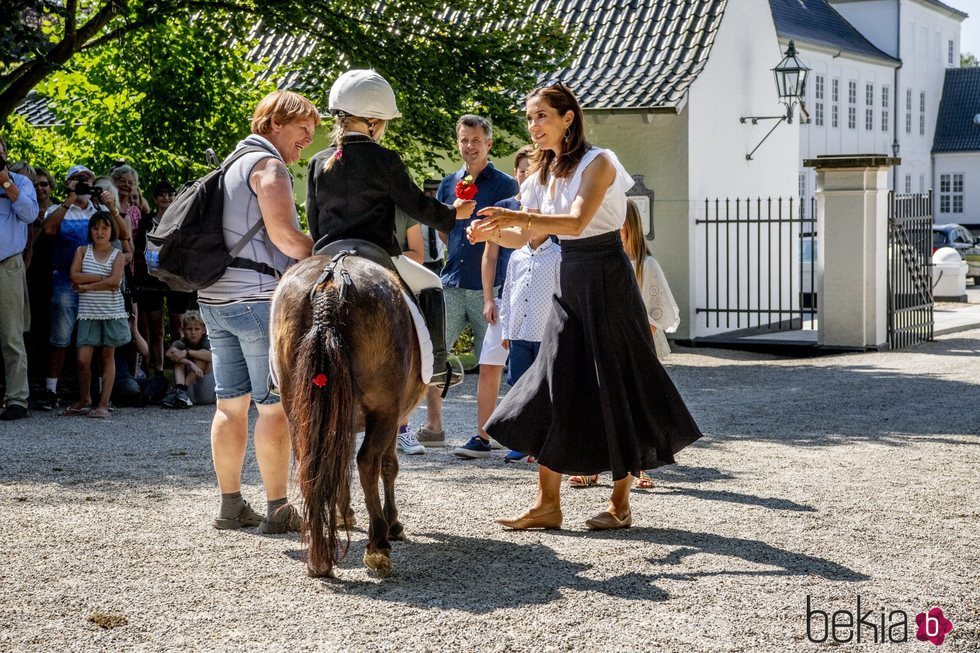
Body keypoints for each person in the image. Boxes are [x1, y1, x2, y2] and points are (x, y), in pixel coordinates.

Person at [470, 82, 703, 530]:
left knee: (613, 386)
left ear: (567, 118)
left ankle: (620, 504)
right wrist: (493, 234)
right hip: (569, 278)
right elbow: (529, 237)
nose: (533, 125)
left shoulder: (600, 162)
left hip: (608, 279)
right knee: (549, 381)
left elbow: (577, 220)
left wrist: (517, 217)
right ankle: (546, 505)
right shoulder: (540, 174)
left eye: (541, 116)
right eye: (529, 117)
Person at [306, 69, 475, 399]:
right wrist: (453, 215)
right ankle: (438, 364)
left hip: (326, 254)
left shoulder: (317, 161)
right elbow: (416, 205)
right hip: (376, 252)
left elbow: (314, 222)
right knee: (432, 284)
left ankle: (277, 372)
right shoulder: (385, 159)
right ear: (373, 121)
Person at [198, 90, 319, 533]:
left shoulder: (230, 165)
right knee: (274, 409)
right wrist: (330, 253)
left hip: (214, 299)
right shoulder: (269, 167)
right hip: (257, 302)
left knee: (229, 406)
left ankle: (231, 506)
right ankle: (279, 509)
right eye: (302, 126)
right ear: (272, 123)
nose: (308, 136)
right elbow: (286, 238)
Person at [415, 115, 519, 452]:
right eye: (463, 140)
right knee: (433, 355)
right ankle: (433, 427)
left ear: (488, 144)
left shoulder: (506, 185)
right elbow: (446, 228)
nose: (469, 146)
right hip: (451, 282)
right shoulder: (448, 182)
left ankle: (496, 431)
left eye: (475, 140)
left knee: (492, 362)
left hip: (492, 286)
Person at [498, 218, 561, 463]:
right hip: (518, 333)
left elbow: (561, 294)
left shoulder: (558, 255)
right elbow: (508, 291)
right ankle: (523, 442)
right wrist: (506, 330)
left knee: (545, 388)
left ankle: (546, 441)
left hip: (545, 333)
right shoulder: (516, 257)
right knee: (518, 387)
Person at [64, 212, 130, 418]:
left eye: (105, 228)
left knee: (107, 356)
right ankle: (85, 398)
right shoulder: (82, 251)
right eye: (95, 228)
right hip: (87, 313)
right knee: (83, 359)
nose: (100, 232)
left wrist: (87, 287)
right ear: (90, 230)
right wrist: (102, 277)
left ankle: (103, 403)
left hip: (111, 311)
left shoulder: (117, 254)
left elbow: (115, 282)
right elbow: (74, 275)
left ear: (112, 231)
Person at [135, 180, 194, 378]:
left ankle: (184, 372)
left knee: (179, 325)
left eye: (170, 194)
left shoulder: (182, 220)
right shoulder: (146, 221)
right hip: (151, 279)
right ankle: (158, 372)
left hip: (176, 278)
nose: (166, 198)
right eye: (162, 194)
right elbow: (139, 250)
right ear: (155, 198)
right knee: (155, 327)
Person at [0, 136, 39, 420]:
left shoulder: (20, 182)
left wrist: (5, 182)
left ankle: (17, 399)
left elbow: (30, 213)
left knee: (12, 336)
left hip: (7, 265)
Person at [26, 167, 57, 400]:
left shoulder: (59, 210)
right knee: (31, 328)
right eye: (35, 185)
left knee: (52, 328)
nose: (40, 189)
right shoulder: (26, 209)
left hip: (55, 275)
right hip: (30, 275)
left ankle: (52, 381)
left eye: (44, 184)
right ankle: (32, 379)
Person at [161, 311, 214, 409]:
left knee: (201, 357)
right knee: (178, 358)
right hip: (189, 391)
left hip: (205, 389)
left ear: (203, 330)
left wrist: (187, 352)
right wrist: (189, 362)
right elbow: (169, 354)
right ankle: (181, 392)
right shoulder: (182, 342)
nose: (193, 332)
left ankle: (181, 392)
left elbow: (212, 356)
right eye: (189, 329)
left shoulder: (207, 340)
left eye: (197, 329)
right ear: (183, 330)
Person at [419, 179, 445, 273]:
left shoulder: (443, 213)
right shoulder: (417, 215)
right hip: (421, 263)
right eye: (436, 194)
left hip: (439, 263)